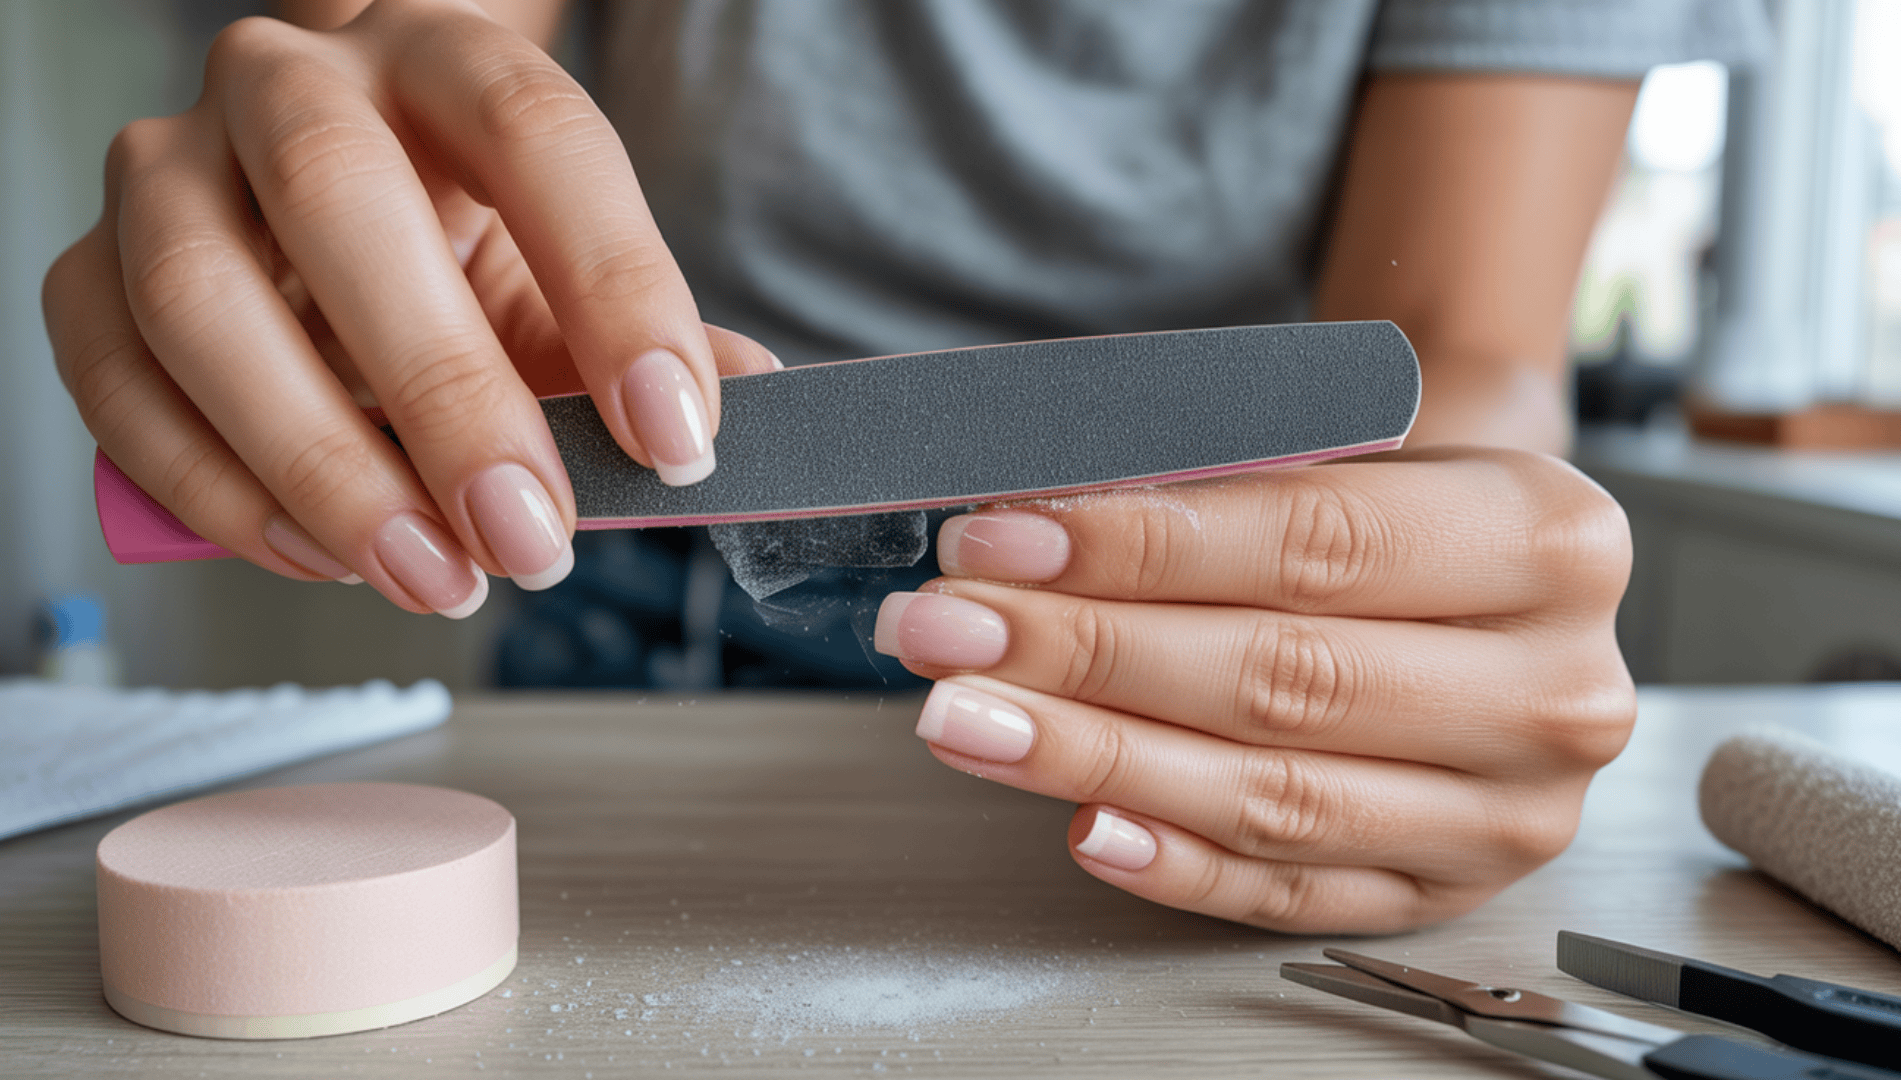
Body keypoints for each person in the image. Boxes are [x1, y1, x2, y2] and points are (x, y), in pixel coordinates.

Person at [42, 0, 1765, 932]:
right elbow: (417, 76)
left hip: (1190, 655)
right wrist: (324, 161)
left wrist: (1435, 626)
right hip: (641, 613)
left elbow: (1453, 361)